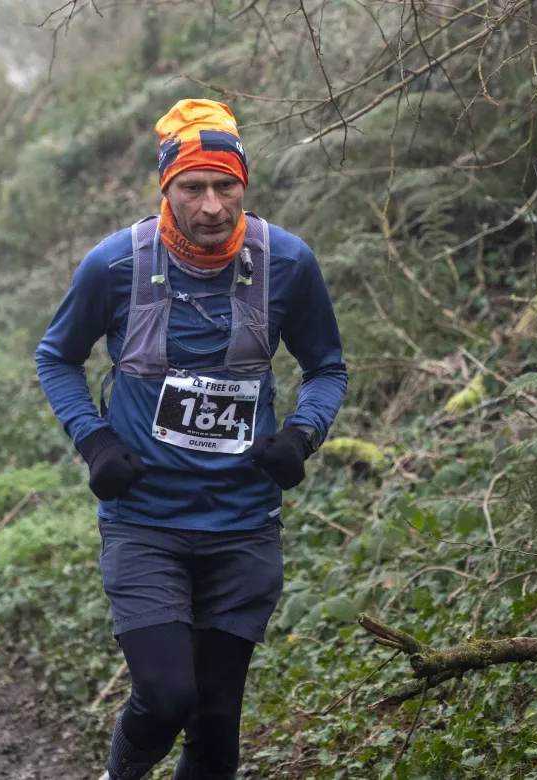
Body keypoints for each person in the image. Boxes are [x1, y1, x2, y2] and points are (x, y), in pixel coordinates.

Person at [36, 99, 348, 780]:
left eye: (226, 187)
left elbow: (327, 368)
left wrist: (302, 434)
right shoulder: (113, 265)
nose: (211, 206)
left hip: (242, 525)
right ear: (166, 188)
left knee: (215, 721)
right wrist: (94, 441)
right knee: (167, 695)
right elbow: (56, 357)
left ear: (245, 185)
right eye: (193, 187)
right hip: (145, 521)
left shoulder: (287, 262)